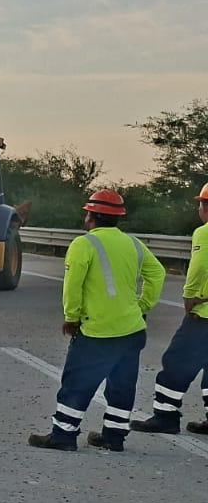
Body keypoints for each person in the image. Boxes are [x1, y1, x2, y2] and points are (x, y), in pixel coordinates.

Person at [29, 189, 164, 452]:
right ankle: (114, 438)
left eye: (88, 212)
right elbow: (157, 274)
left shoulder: (84, 244)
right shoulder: (134, 244)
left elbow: (73, 285)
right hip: (132, 330)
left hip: (98, 331)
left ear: (93, 216)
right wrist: (142, 305)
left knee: (78, 382)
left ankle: (63, 436)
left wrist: (72, 317)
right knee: (122, 385)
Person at [132, 182, 208, 435]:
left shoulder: (204, 232)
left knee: (177, 361)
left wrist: (190, 296)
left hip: (204, 315)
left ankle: (165, 416)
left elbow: (198, 267)